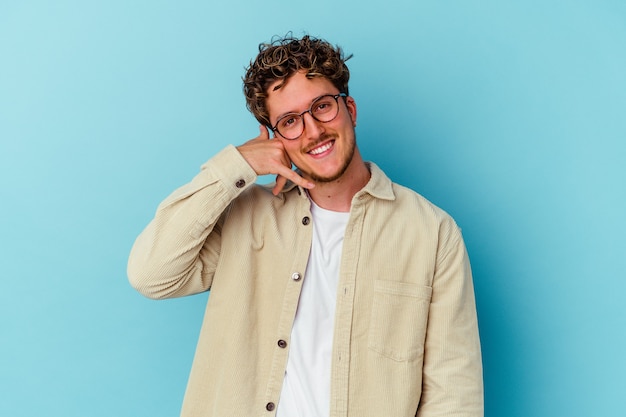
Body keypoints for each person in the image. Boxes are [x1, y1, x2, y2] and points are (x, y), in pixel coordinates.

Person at [128, 34, 483, 417]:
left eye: (322, 107)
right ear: (276, 139)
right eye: (290, 121)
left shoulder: (431, 232)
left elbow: (454, 392)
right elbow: (151, 275)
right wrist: (237, 166)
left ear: (350, 109)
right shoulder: (245, 217)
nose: (313, 131)